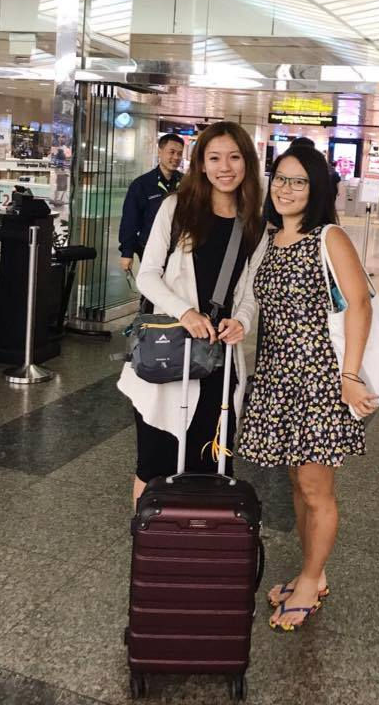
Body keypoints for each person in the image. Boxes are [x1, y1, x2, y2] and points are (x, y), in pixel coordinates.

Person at [238, 145, 376, 633]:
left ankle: (312, 580)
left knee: (317, 488)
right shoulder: (269, 238)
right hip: (278, 376)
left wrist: (350, 377)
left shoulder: (328, 237)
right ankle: (310, 572)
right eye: (280, 178)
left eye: (299, 181)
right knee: (297, 482)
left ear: (316, 189)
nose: (286, 188)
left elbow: (360, 305)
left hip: (319, 380)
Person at [117, 122, 268, 508]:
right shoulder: (177, 208)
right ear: (200, 163)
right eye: (214, 158)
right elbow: (148, 274)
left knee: (211, 464)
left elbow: (250, 292)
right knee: (154, 463)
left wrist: (242, 321)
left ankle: (200, 537)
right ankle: (148, 536)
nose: (224, 167)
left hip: (219, 360)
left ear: (247, 163)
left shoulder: (254, 224)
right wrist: (184, 311)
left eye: (234, 157)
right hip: (170, 353)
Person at [118, 133, 185, 275]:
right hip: (150, 248)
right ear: (160, 152)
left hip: (179, 250)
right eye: (172, 152)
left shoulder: (186, 183)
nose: (176, 157)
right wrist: (127, 252)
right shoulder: (142, 184)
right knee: (152, 284)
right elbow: (130, 220)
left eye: (179, 154)